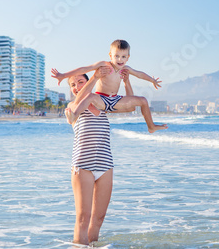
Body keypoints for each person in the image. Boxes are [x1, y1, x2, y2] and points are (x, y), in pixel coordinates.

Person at [67, 66, 134, 245]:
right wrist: (94, 77)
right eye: (72, 85)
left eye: (80, 81)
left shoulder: (102, 103)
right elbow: (75, 110)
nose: (76, 86)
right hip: (83, 166)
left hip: (105, 166)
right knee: (83, 218)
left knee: (98, 219)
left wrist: (127, 82)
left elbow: (130, 106)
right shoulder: (73, 107)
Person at [51, 39, 167, 133]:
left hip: (115, 100)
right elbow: (84, 69)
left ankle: (151, 126)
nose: (120, 60)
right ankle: (74, 115)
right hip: (101, 99)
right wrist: (63, 75)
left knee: (143, 100)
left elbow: (139, 74)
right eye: (116, 56)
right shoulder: (104, 65)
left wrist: (152, 80)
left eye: (123, 56)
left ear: (128, 57)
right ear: (110, 55)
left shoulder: (126, 69)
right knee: (90, 96)